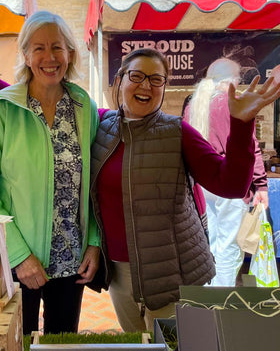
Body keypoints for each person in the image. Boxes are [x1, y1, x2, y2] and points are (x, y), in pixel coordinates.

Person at [90, 48, 280, 332]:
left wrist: (241, 125)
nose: (145, 85)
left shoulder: (176, 132)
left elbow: (230, 185)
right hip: (120, 274)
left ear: (164, 87)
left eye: (156, 79)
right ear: (119, 81)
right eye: (137, 76)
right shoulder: (99, 127)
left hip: (172, 274)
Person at [0, 11, 101, 335]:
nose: (49, 57)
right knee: (17, 348)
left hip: (73, 260)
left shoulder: (84, 106)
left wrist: (94, 242)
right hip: (19, 263)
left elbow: (93, 182)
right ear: (26, 56)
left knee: (62, 350)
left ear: (69, 53)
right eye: (38, 48)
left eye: (57, 47)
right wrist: (19, 256)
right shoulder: (0, 109)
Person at [184, 57, 269, 286]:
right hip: (229, 184)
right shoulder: (232, 104)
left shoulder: (194, 105)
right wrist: (260, 185)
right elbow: (250, 148)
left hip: (202, 185)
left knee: (211, 242)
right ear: (231, 80)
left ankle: (211, 292)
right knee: (229, 246)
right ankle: (223, 297)